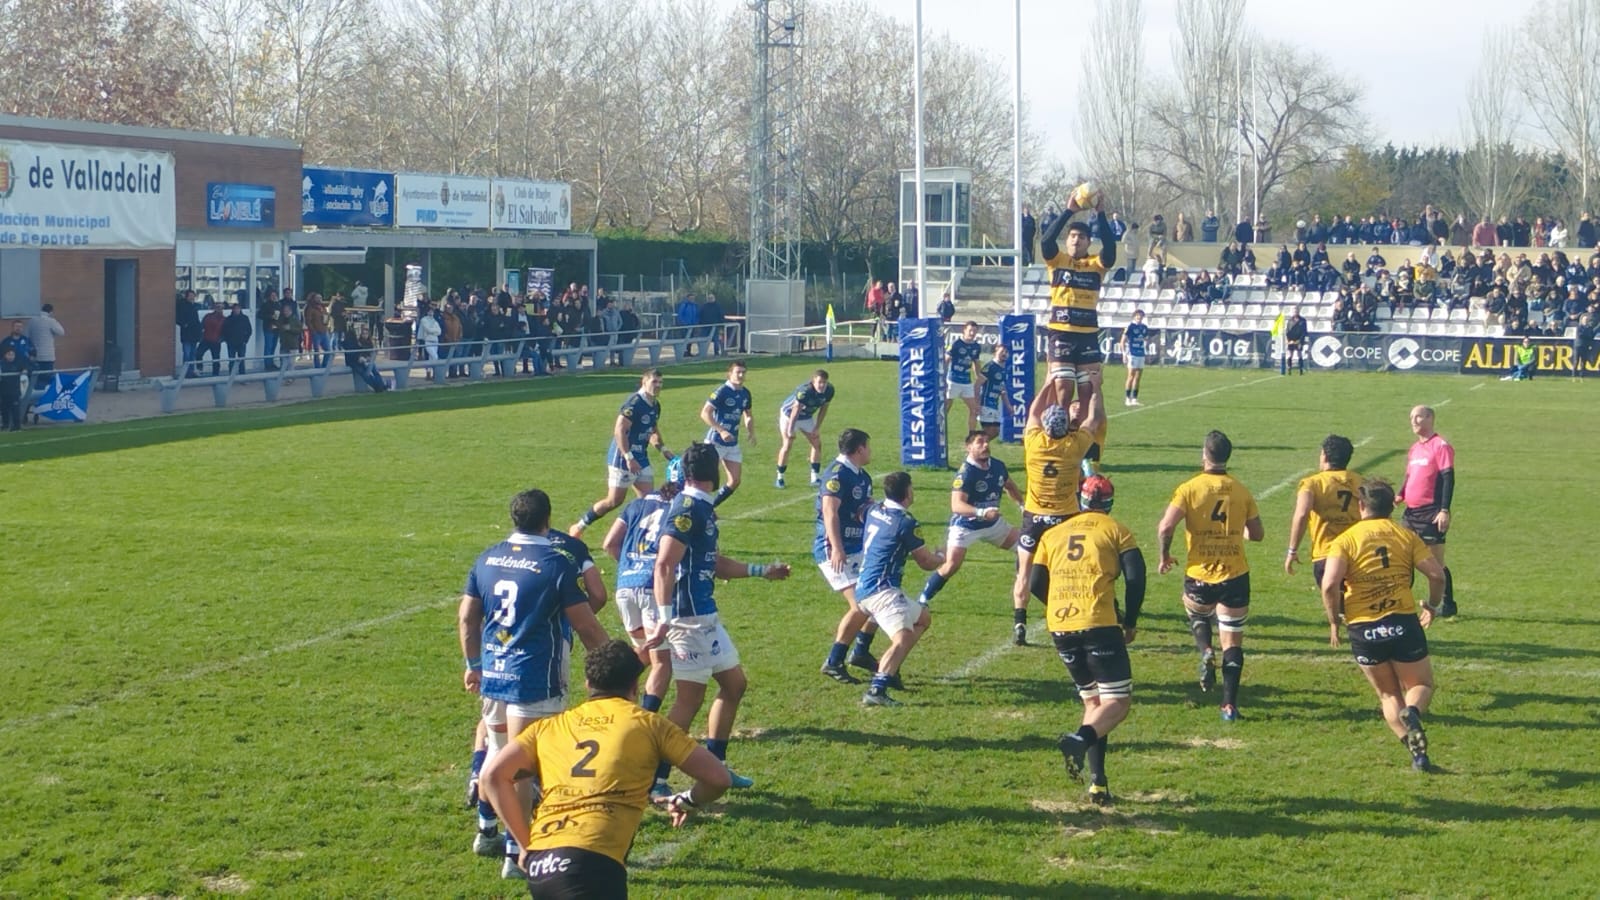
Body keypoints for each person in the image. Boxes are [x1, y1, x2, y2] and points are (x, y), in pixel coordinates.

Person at [479, 639, 732, 896]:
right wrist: (688, 800)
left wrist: (526, 846)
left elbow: (492, 776)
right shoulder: (648, 724)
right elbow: (718, 778)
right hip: (593, 862)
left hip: (543, 866)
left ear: (588, 684)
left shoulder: (549, 727)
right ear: (635, 685)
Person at [458, 488, 611, 878]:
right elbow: (587, 625)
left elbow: (466, 619)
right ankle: (516, 853)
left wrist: (473, 664)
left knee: (497, 753)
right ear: (548, 520)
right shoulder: (555, 562)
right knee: (524, 768)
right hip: (536, 676)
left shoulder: (487, 557)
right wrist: (614, 665)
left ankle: (486, 829)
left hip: (495, 672)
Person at [650, 442, 791, 793]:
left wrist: (762, 570)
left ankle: (717, 765)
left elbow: (713, 561)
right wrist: (665, 617)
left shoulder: (701, 508)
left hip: (704, 615)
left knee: (734, 685)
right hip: (687, 618)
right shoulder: (686, 508)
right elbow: (665, 563)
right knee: (689, 698)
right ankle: (655, 778)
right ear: (713, 472)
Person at [1031, 474, 1144, 807]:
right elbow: (1136, 577)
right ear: (1109, 503)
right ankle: (1079, 739)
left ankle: (1098, 783)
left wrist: (1059, 605)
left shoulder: (1052, 535)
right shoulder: (1115, 529)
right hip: (1099, 622)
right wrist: (1130, 618)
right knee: (1118, 703)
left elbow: (1035, 581)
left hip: (1061, 625)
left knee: (1094, 704)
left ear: (1080, 500)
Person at [1320, 478, 1446, 771]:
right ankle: (1413, 713)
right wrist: (1433, 605)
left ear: (1361, 506)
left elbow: (1329, 585)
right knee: (1422, 684)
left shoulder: (1345, 540)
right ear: (1392, 507)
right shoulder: (1406, 536)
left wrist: (1334, 619)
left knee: (1388, 695)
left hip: (1364, 628)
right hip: (1402, 622)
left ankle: (1417, 755)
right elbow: (1437, 575)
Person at [1156, 430, 1264, 721]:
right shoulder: (1240, 490)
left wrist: (1165, 555)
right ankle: (1229, 706)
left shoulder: (1189, 489)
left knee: (1198, 615)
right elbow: (1257, 534)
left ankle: (1204, 649)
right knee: (1233, 642)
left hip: (1200, 573)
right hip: (1235, 574)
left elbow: (1165, 527)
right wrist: (1236, 530)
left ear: (1205, 454)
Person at [1011, 380, 1103, 646]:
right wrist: (1095, 388)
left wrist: (1049, 383)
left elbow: (1032, 412)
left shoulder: (1034, 444)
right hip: (1064, 518)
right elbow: (1093, 419)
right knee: (1069, 571)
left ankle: (1020, 621)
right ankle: (1077, 615)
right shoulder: (1074, 447)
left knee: (1024, 572)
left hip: (1034, 516)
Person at [602, 459, 686, 744]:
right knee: (663, 662)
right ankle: (641, 724)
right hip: (653, 589)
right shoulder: (683, 509)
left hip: (625, 588)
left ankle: (613, 698)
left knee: (645, 652)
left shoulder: (638, 503)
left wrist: (629, 567)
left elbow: (609, 543)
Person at [856, 471, 946, 706]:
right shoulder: (906, 522)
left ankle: (891, 668)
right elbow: (925, 562)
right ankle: (877, 688)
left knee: (923, 618)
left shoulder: (874, 509)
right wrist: (941, 557)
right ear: (907, 492)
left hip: (864, 584)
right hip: (881, 591)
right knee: (902, 637)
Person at [1039, 187, 1116, 430]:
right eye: (1072, 236)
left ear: (1088, 242)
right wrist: (1068, 211)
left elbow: (1111, 250)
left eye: (1081, 237)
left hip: (1087, 335)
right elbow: (1045, 240)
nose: (1075, 239)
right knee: (1063, 388)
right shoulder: (1056, 260)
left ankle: (1080, 442)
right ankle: (1055, 431)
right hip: (1061, 332)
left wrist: (1101, 214)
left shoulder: (1096, 264)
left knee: (1086, 391)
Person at [917, 430, 1022, 607]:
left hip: (992, 524)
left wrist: (1022, 505)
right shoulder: (966, 473)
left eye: (987, 441)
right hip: (966, 526)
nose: (986, 445)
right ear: (968, 447)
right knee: (951, 565)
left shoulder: (997, 466)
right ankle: (923, 599)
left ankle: (1023, 587)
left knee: (1025, 548)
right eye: (980, 442)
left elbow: (1010, 486)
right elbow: (957, 506)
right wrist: (982, 512)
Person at [570, 370, 676, 537]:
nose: (658, 386)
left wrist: (662, 449)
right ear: (644, 381)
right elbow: (620, 430)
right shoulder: (634, 403)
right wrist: (628, 457)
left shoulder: (655, 405)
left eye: (660, 383)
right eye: (654, 382)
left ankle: (639, 536)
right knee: (614, 501)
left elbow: (652, 429)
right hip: (623, 458)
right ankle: (580, 526)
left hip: (641, 457)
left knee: (648, 500)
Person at [815, 428, 884, 683]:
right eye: (868, 446)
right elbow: (830, 512)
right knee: (861, 605)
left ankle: (861, 652)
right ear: (859, 449)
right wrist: (837, 547)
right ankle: (834, 661)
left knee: (877, 598)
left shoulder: (862, 476)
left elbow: (864, 508)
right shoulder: (837, 474)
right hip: (834, 549)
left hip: (856, 548)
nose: (870, 451)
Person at [1399, 405, 1456, 617]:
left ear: (1430, 418)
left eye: (1418, 417)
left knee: (1435, 563)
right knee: (1403, 557)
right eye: (1411, 417)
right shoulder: (1415, 448)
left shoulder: (1440, 446)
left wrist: (1444, 510)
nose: (1413, 421)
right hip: (1410, 513)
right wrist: (1400, 494)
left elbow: (1448, 478)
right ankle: (1403, 601)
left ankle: (1447, 604)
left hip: (1431, 513)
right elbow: (1410, 477)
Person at [1286, 434, 1364, 586]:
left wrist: (1292, 551)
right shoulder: (1361, 481)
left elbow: (1302, 514)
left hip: (1327, 553)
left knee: (1334, 603)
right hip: (1357, 553)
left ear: (1324, 455)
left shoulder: (1312, 483)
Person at [701, 360, 755, 507]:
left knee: (735, 480)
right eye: (738, 372)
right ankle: (700, 507)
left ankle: (711, 506)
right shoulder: (722, 391)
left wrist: (751, 432)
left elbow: (748, 414)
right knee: (708, 480)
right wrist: (721, 430)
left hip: (732, 443)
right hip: (715, 442)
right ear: (730, 374)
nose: (741, 375)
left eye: (743, 372)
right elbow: (705, 413)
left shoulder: (745, 393)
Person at [774, 369, 834, 489]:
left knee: (816, 442)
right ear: (813, 382)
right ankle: (780, 477)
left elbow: (824, 409)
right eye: (820, 382)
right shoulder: (805, 391)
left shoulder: (829, 390)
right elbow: (796, 410)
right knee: (787, 444)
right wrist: (791, 429)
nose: (822, 385)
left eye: (824, 382)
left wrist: (817, 427)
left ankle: (814, 476)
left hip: (806, 416)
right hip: (789, 415)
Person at [944, 321, 984, 437]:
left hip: (966, 382)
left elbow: (976, 362)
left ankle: (971, 435)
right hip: (953, 381)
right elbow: (947, 360)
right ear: (964, 330)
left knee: (974, 409)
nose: (972, 333)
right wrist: (943, 377)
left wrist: (978, 375)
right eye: (970, 331)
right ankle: (939, 429)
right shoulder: (956, 344)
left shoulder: (976, 346)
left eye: (975, 331)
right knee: (946, 406)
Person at [974, 343, 1012, 439]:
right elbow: (978, 384)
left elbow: (1002, 390)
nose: (1004, 354)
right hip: (986, 403)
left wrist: (1008, 406)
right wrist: (977, 403)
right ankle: (975, 445)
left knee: (995, 431)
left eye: (1006, 352)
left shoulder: (1004, 370)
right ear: (995, 352)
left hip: (995, 405)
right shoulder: (990, 367)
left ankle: (977, 444)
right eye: (1001, 351)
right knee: (990, 430)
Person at [25, 304, 64, 391]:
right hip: (47, 355)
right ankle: (42, 397)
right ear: (50, 312)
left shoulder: (32, 320)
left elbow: (26, 335)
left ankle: (33, 396)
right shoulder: (51, 321)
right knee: (46, 378)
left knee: (34, 378)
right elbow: (61, 332)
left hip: (34, 356)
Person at [1117, 309, 1149, 405]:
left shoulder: (1144, 327)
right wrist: (1124, 354)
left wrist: (1145, 350)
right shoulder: (1130, 326)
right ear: (1134, 316)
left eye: (1141, 316)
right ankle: (1127, 398)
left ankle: (1134, 398)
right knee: (1131, 375)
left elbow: (1145, 339)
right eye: (1137, 316)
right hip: (1132, 353)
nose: (1139, 317)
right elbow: (1122, 341)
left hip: (1141, 354)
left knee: (1138, 377)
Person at [0, 340, 25, 431]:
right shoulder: (1, 364)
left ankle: (17, 426)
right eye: (9, 354)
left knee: (15, 409)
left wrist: (25, 370)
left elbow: (29, 368)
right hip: (4, 391)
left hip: (14, 391)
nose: (11, 356)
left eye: (12, 354)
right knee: (4, 409)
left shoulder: (18, 363)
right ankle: (5, 424)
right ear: (5, 355)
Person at [222, 302, 253, 374]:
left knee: (241, 361)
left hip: (241, 342)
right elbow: (224, 330)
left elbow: (249, 330)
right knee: (231, 361)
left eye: (238, 309)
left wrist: (246, 340)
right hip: (231, 343)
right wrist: (227, 340)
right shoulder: (228, 319)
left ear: (240, 309)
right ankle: (231, 376)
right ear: (232, 310)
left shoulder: (245, 318)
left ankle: (242, 377)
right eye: (235, 309)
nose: (236, 310)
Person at [176, 290, 201, 377]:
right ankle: (186, 373)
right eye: (190, 295)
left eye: (193, 296)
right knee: (187, 354)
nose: (192, 297)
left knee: (193, 354)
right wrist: (184, 324)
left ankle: (191, 371)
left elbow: (196, 321)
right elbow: (178, 318)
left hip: (194, 335)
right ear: (186, 296)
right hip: (186, 334)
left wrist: (199, 332)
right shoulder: (182, 306)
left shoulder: (194, 306)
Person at [198, 300, 226, 376]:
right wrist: (201, 337)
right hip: (206, 340)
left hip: (216, 341)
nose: (219, 309)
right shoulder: (208, 316)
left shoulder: (224, 319)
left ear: (222, 309)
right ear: (214, 308)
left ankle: (216, 374)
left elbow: (226, 331)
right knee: (198, 354)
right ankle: (199, 370)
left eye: (220, 307)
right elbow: (201, 326)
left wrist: (222, 339)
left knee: (216, 359)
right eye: (217, 307)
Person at [1282, 309, 1308, 375]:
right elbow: (1288, 331)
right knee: (1290, 354)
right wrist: (1289, 340)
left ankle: (1301, 369)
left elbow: (1304, 331)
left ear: (1298, 312)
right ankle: (1289, 369)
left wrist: (1300, 340)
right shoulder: (1290, 320)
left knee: (1299, 354)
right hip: (1291, 340)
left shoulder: (1303, 320)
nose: (1295, 313)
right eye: (1294, 312)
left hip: (1299, 340)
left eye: (1296, 311)